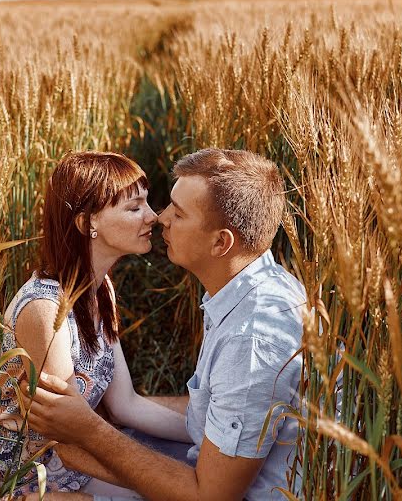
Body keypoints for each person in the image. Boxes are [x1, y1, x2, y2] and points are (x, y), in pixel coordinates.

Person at [26, 148, 306, 501]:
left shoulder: (252, 339)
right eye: (137, 206)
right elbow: (125, 410)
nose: (160, 218)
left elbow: (209, 495)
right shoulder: (250, 289)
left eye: (179, 212)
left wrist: (92, 431)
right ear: (88, 223)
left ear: (221, 242)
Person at [0, 151, 193, 500]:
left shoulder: (102, 290)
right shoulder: (44, 310)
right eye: (134, 207)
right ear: (87, 223)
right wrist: (167, 481)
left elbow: (126, 404)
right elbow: (67, 440)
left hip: (74, 471)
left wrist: (206, 436)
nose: (153, 216)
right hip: (25, 481)